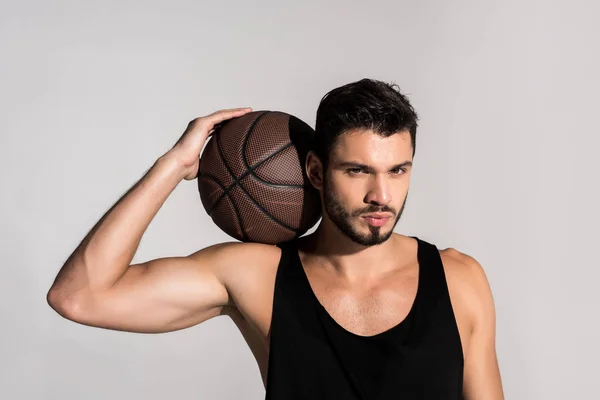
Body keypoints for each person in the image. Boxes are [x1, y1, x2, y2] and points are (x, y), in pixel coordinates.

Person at [47, 79, 504, 399]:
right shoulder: (258, 275)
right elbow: (80, 296)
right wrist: (173, 166)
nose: (381, 195)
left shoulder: (459, 279)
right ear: (316, 172)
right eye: (358, 170)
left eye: (397, 170)